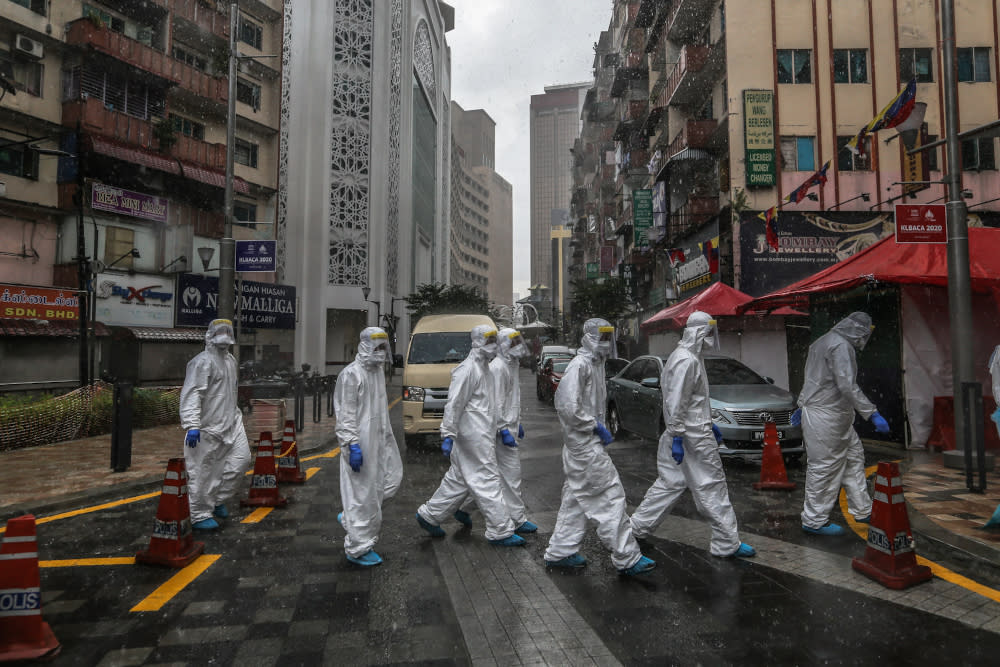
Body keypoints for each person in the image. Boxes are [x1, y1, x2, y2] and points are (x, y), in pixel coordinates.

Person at [629, 311, 756, 559]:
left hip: (685, 431)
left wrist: (707, 423)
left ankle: (637, 528)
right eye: (708, 332)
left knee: (670, 483)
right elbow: (677, 401)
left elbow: (690, 400)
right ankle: (726, 543)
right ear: (699, 333)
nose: (711, 337)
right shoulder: (687, 360)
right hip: (692, 436)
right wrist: (679, 433)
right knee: (711, 484)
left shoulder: (687, 357)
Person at [543, 318, 655, 576]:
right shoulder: (580, 365)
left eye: (609, 337)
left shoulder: (596, 365)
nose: (607, 343)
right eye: (602, 337)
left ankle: (560, 551)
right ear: (590, 337)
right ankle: (626, 556)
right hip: (584, 446)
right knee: (609, 496)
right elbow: (567, 406)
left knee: (575, 500)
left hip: (583, 445)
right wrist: (592, 425)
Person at [416, 325, 525, 547]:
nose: (494, 346)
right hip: (472, 436)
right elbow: (454, 404)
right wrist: (448, 433)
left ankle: (429, 515)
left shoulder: (484, 369)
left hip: (479, 434)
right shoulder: (467, 370)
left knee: (459, 480)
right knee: (486, 479)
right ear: (476, 342)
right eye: (489, 341)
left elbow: (492, 404)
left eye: (495, 340)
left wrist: (504, 426)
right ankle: (500, 530)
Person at [793, 311, 889, 536]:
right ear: (857, 330)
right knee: (824, 467)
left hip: (833, 416)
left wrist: (801, 404)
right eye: (865, 333)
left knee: (853, 458)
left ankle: (863, 509)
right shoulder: (841, 346)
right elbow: (847, 385)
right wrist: (872, 413)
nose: (864, 338)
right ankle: (814, 520)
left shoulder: (822, 341)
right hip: (827, 417)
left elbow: (813, 378)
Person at [454, 328, 538, 534]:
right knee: (509, 476)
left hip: (507, 428)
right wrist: (503, 428)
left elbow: (511, 400)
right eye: (514, 343)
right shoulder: (499, 367)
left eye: (519, 342)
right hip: (500, 432)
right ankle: (516, 519)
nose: (519, 347)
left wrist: (516, 423)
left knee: (493, 477)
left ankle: (463, 508)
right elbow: (495, 402)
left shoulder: (511, 365)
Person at [334, 327, 404, 566]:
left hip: (380, 441)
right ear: (364, 345)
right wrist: (351, 444)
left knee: (389, 482)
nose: (382, 352)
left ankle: (351, 517)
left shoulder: (376, 373)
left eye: (385, 346)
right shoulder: (351, 375)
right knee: (364, 495)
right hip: (360, 445)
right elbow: (346, 415)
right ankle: (358, 547)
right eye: (378, 346)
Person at [179, 319, 251, 531]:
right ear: (210, 334)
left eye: (227, 330)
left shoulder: (230, 360)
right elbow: (192, 393)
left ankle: (217, 498)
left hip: (231, 422)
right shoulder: (201, 362)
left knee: (241, 460)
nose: (224, 335)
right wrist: (192, 424)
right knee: (202, 470)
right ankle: (200, 513)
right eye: (220, 331)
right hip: (206, 427)